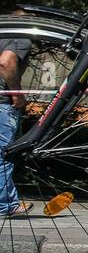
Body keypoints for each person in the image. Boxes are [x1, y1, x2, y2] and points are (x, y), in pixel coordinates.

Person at [0, 12, 33, 217]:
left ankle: (9, 202)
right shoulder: (20, 33)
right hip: (1, 103)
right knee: (3, 156)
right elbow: (6, 61)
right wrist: (17, 94)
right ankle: (5, 205)